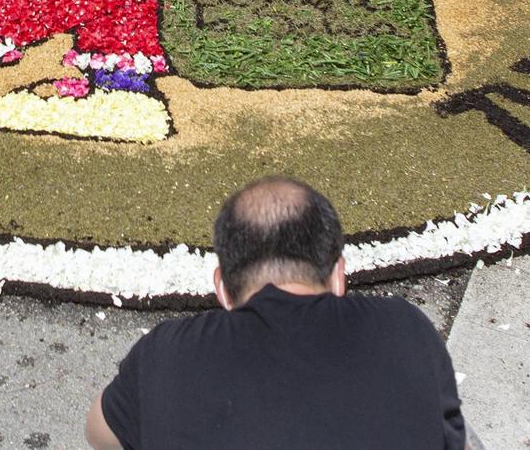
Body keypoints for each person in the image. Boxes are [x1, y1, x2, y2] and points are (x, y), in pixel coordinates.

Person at [85, 177, 467, 450]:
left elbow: (99, 434)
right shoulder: (404, 329)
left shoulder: (166, 353)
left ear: (222, 288)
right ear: (338, 276)